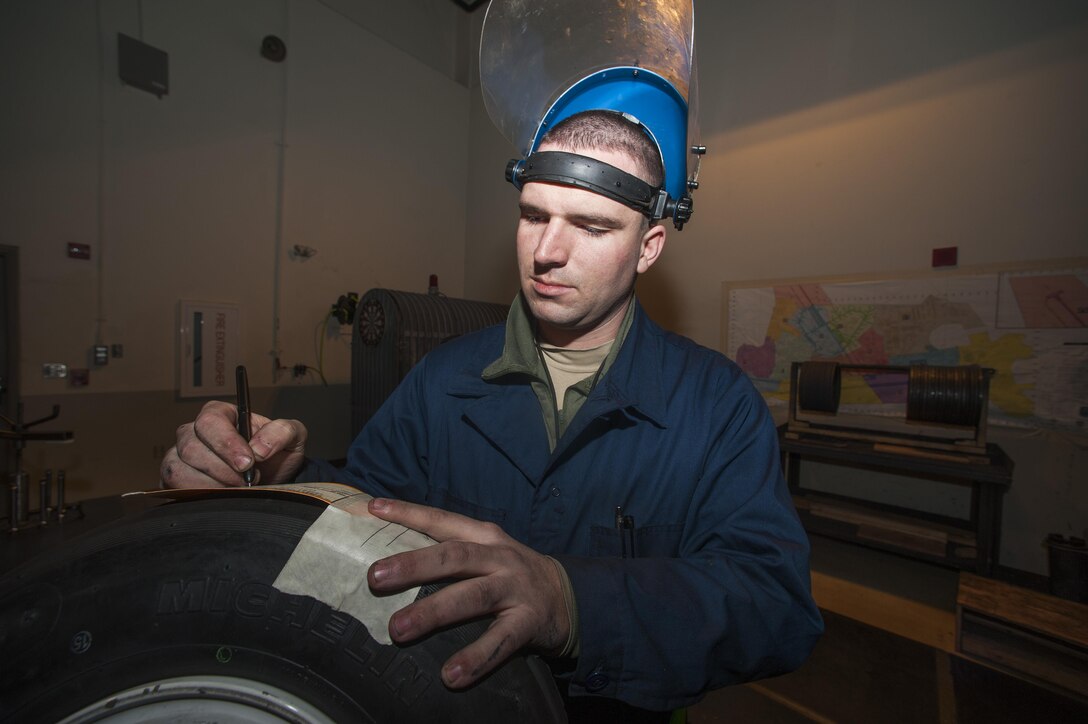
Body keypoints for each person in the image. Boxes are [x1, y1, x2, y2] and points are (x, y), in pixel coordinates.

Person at [161, 110, 823, 720]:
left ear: (649, 247)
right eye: (534, 216)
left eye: (591, 227)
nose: (547, 252)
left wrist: (572, 602)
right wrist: (284, 476)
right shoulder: (443, 380)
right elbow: (368, 515)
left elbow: (775, 607)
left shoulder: (717, 404)